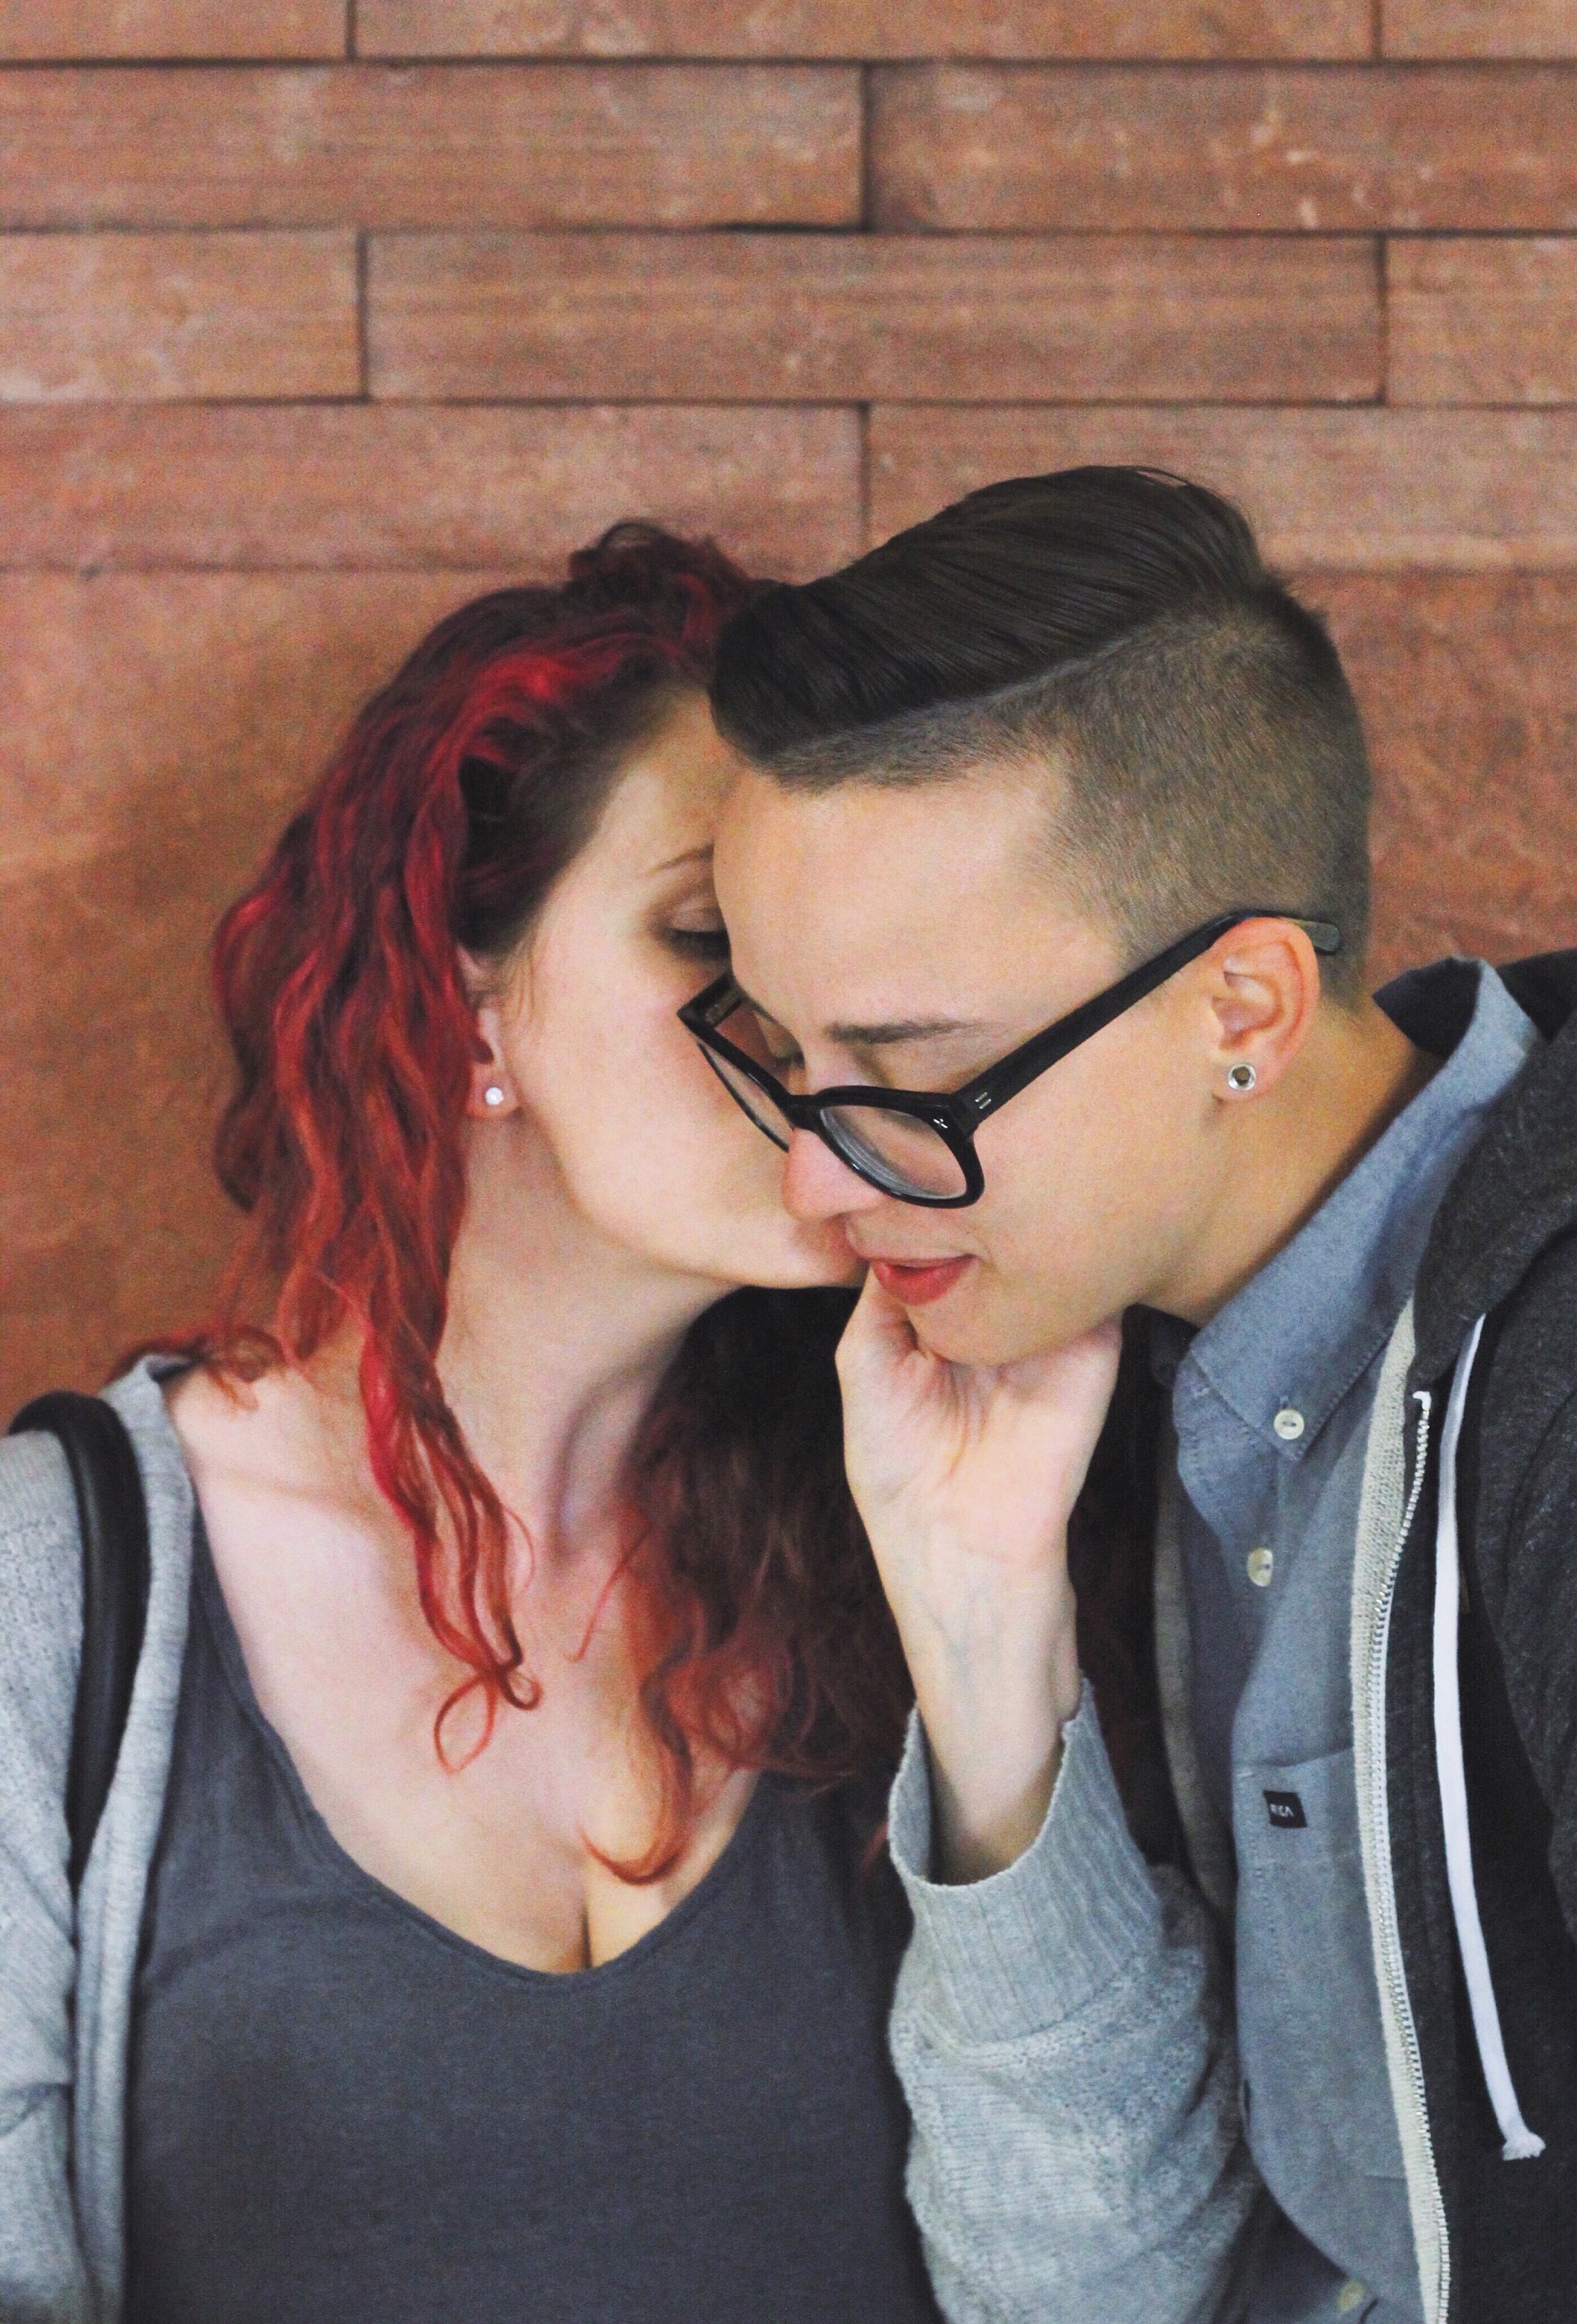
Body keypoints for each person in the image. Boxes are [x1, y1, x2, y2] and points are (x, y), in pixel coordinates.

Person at [0, 522, 1223, 2324]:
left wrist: (984, 1638)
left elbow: (1114, 2295)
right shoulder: (64, 1584)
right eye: (715, 940)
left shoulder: (904, 1518)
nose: (821, 1048)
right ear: (465, 985)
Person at [699, 467, 1577, 2324]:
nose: (811, 1187)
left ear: (1240, 1006)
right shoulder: (1100, 1359)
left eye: (905, 1081)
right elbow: (1081, 2286)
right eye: (776, 1051)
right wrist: (983, 1637)